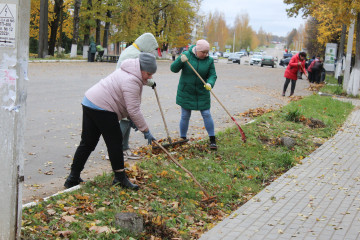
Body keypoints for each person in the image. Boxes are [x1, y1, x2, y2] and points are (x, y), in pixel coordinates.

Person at [64, 53, 158, 190]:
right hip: (102, 107)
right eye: (149, 74)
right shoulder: (132, 79)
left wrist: (131, 120)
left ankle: (72, 178)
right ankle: (120, 178)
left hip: (90, 102)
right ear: (141, 69)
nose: (150, 77)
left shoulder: (128, 71)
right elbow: (134, 109)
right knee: (115, 142)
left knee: (87, 142)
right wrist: (146, 130)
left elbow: (126, 103)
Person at [114, 33, 158, 161]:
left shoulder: (131, 50)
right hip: (124, 90)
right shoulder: (134, 55)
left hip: (123, 88)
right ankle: (114, 150)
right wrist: (151, 82)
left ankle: (124, 148)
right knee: (127, 119)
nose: (151, 52)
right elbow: (139, 75)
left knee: (127, 120)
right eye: (151, 48)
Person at [170, 39, 218, 150]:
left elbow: (212, 75)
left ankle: (212, 139)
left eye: (207, 52)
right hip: (186, 91)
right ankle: (183, 139)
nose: (206, 54)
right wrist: (180, 61)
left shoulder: (209, 61)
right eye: (203, 52)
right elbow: (173, 69)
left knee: (206, 114)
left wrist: (210, 83)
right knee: (185, 115)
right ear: (197, 50)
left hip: (202, 92)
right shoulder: (186, 55)